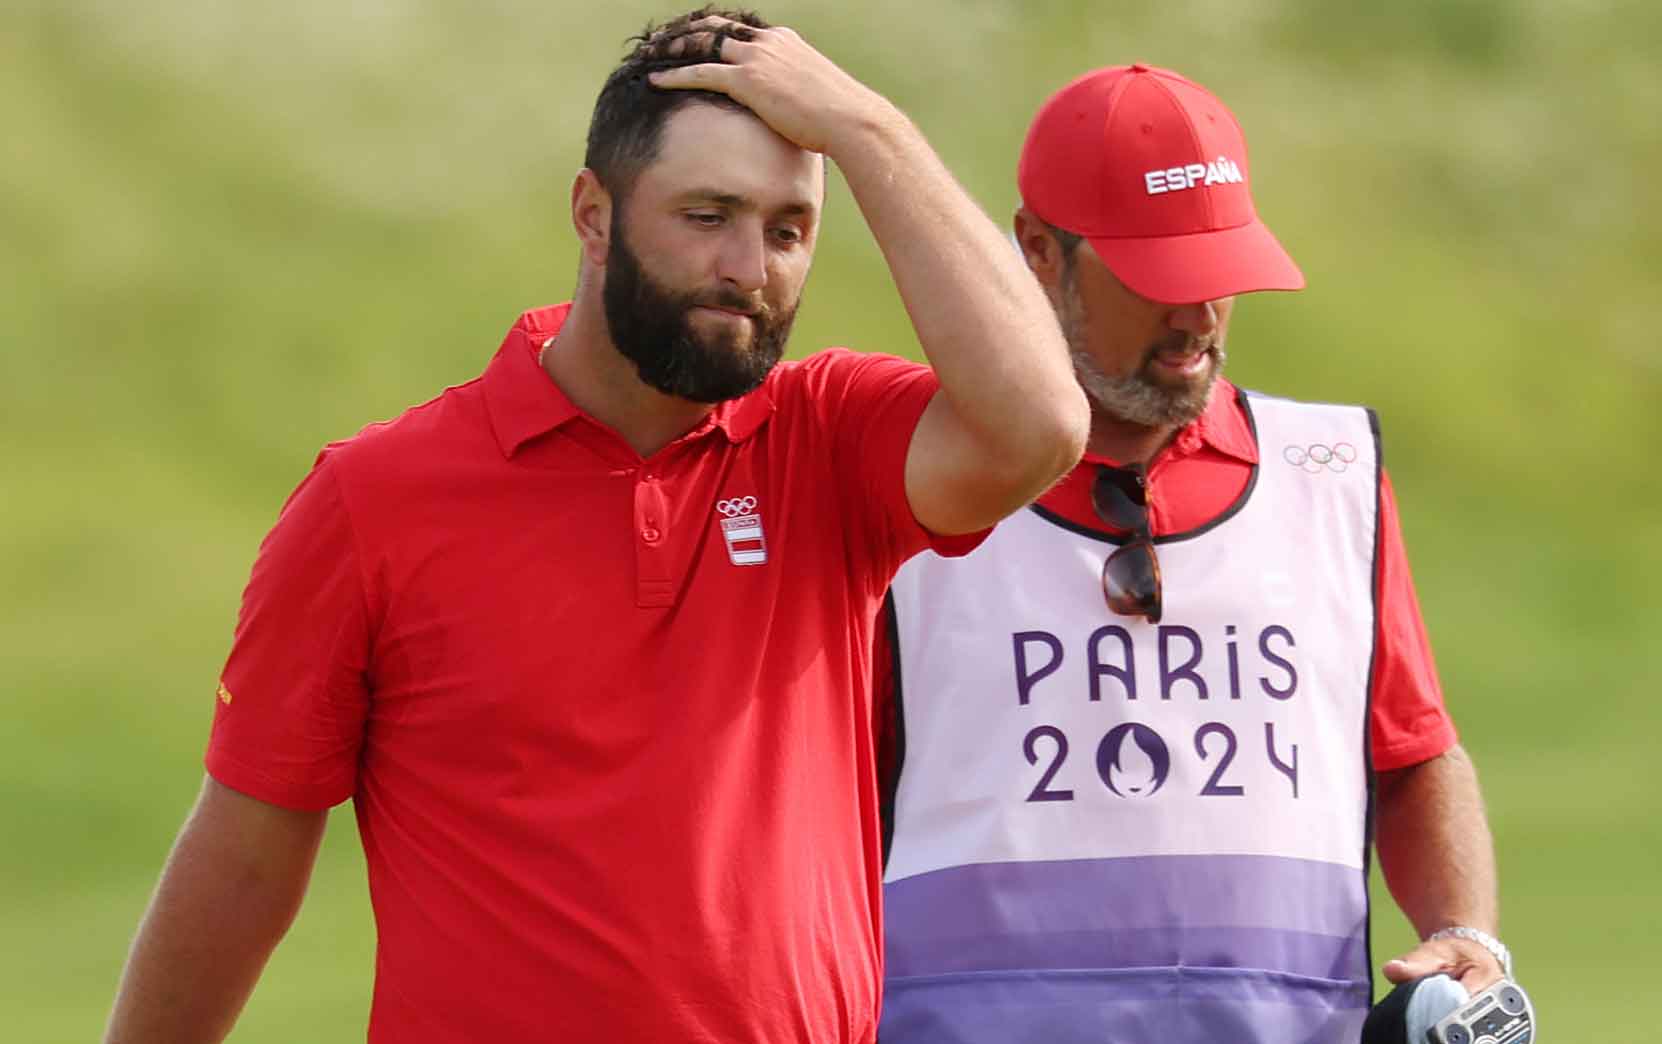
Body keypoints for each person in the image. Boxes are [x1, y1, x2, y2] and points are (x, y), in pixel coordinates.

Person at [103, 10, 1088, 1043]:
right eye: (706, 216)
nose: (748, 270)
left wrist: (866, 128)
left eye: (787, 229)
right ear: (592, 214)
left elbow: (1039, 424)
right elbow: (246, 857)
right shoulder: (375, 499)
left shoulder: (828, 444)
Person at [875, 64, 1507, 1043]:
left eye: (1218, 273)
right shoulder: (893, 484)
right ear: (1038, 254)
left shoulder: (1331, 471)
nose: (1196, 318)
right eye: (1153, 281)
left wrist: (1464, 937)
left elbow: (1410, 753)